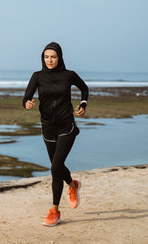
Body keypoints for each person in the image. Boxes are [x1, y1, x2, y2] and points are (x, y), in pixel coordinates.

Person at [23, 42, 89, 227]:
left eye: (53, 56)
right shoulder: (37, 76)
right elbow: (26, 97)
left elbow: (84, 88)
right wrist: (27, 103)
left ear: (59, 57)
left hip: (66, 126)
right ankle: (73, 185)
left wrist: (82, 104)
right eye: (46, 57)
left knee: (55, 168)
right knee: (56, 166)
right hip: (47, 128)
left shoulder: (69, 75)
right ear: (42, 58)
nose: (49, 60)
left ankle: (54, 211)